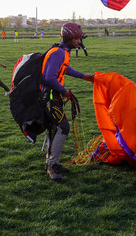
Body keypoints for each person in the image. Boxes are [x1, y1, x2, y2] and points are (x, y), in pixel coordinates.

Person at [41, 23, 95, 181]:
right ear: (69, 38)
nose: (79, 42)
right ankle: (52, 165)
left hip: (53, 95)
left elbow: (65, 69)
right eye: (77, 39)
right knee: (63, 127)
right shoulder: (58, 52)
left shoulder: (62, 51)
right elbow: (49, 77)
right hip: (49, 96)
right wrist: (64, 91)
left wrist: (83, 76)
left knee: (54, 128)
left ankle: (51, 163)